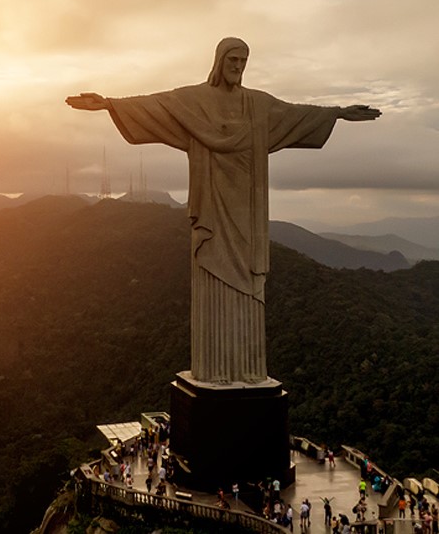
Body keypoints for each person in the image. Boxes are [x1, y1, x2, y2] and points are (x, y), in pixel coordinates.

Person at [66, 37, 380, 384]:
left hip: (248, 210)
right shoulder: (195, 100)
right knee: (213, 277)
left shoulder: (258, 106)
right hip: (213, 209)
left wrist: (337, 113)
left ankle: (248, 370)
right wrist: (109, 104)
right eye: (233, 60)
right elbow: (157, 105)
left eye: (244, 61)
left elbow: (295, 113)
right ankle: (214, 370)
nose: (239, 67)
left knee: (247, 281)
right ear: (219, 61)